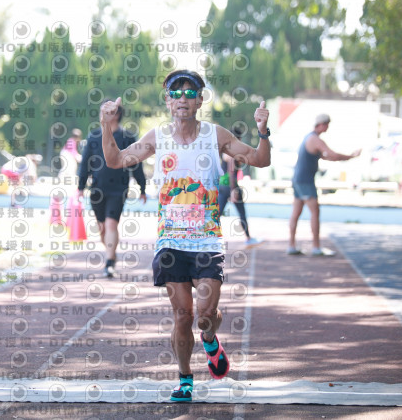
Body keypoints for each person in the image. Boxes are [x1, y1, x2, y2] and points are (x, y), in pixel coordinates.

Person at [99, 70, 271, 402]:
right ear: (167, 101)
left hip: (207, 241)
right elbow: (116, 159)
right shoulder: (157, 137)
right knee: (182, 315)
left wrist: (263, 131)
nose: (182, 98)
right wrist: (107, 125)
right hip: (171, 243)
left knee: (205, 315)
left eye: (189, 93)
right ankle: (185, 377)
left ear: (200, 101)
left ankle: (210, 339)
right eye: (175, 93)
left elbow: (260, 160)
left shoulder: (215, 135)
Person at [77, 102, 147, 277]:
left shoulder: (127, 137)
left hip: (119, 188)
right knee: (102, 227)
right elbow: (85, 163)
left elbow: (136, 163)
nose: (103, 114)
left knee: (111, 223)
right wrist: (80, 187)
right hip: (97, 189)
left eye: (107, 111)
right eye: (102, 111)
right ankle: (111, 253)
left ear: (117, 114)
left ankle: (109, 262)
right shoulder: (94, 137)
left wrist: (142, 187)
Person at [287, 114, 361, 256]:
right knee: (315, 212)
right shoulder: (315, 139)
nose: (327, 127)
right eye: (327, 124)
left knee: (296, 213)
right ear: (321, 124)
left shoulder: (309, 137)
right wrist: (351, 156)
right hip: (305, 181)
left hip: (298, 179)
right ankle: (316, 247)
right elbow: (333, 155)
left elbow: (328, 157)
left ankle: (291, 246)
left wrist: (347, 157)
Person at [218, 152, 263, 248]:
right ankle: (249, 239)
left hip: (223, 185)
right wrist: (233, 190)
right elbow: (231, 172)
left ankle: (208, 237)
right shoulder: (231, 154)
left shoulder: (226, 153)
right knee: (241, 213)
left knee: (217, 213)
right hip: (230, 186)